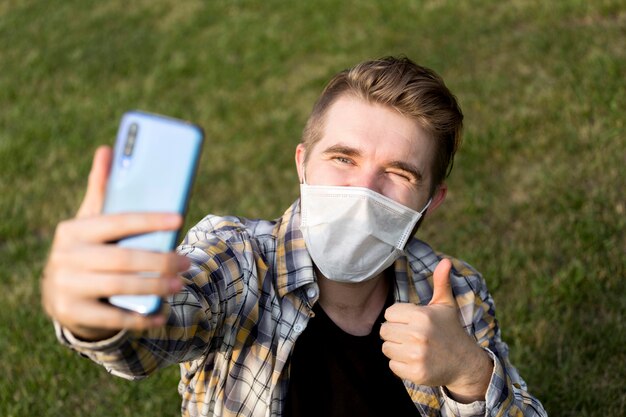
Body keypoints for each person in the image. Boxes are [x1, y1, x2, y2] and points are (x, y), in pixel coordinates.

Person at [42, 56, 546, 417]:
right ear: (303, 164)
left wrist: (469, 376)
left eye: (399, 173)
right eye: (343, 158)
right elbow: (147, 340)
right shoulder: (236, 258)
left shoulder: (454, 293)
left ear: (431, 202)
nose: (363, 189)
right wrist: (99, 311)